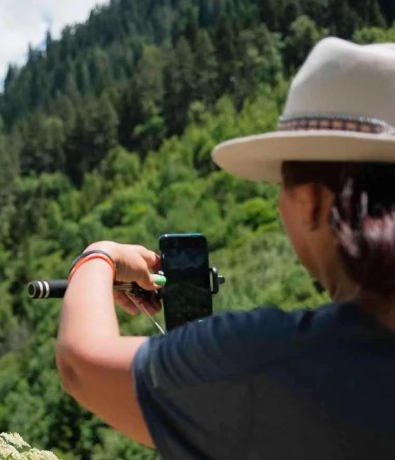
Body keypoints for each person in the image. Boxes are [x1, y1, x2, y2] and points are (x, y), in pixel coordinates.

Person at [55, 37, 395, 459]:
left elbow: (82, 365)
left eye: (280, 186)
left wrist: (98, 256)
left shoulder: (277, 361)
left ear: (311, 201)